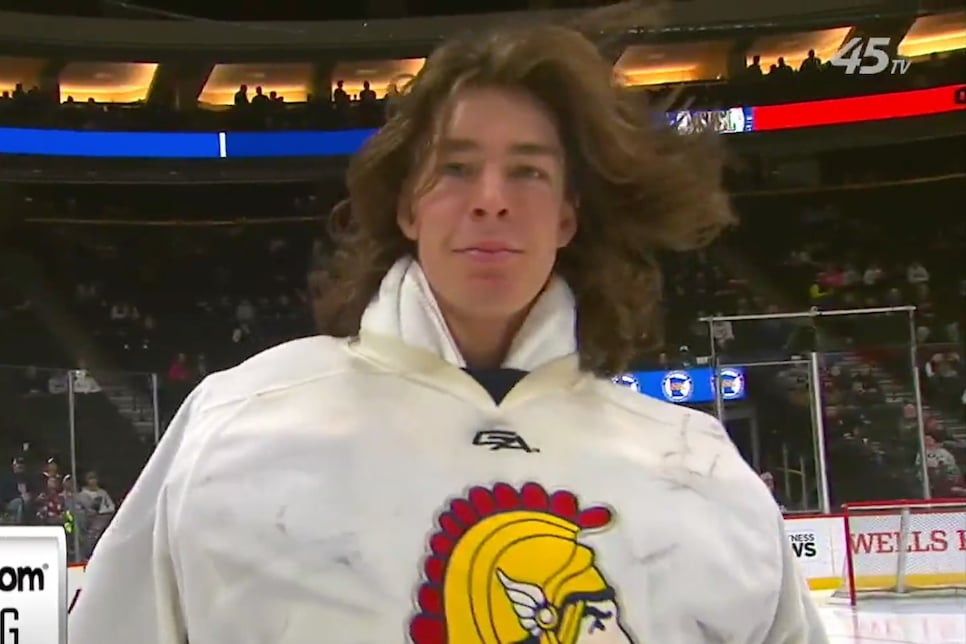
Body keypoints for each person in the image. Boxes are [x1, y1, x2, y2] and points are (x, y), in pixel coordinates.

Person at [70, 11, 827, 644]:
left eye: (528, 170)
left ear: (568, 215)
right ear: (406, 207)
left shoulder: (697, 466)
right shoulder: (237, 423)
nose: (491, 199)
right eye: (457, 167)